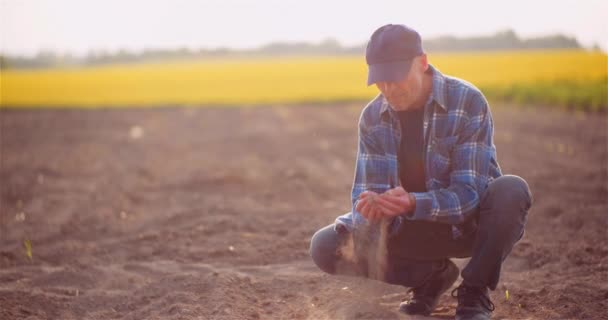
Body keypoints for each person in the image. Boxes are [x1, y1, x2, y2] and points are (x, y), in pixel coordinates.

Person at [309, 24, 533, 320]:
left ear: (423, 62)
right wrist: (373, 211)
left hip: (468, 227)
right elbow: (368, 196)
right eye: (380, 80)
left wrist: (413, 202)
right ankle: (431, 278)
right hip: (410, 231)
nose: (388, 89)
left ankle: (474, 291)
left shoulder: (467, 101)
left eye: (396, 77)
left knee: (511, 190)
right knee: (326, 246)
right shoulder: (373, 118)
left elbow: (469, 195)